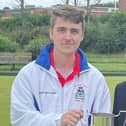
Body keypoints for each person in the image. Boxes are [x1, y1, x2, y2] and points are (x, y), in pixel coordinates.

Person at [10, 5, 111, 126]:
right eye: (62, 30)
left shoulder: (96, 79)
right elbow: (20, 119)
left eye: (74, 31)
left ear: (82, 35)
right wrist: (58, 121)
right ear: (51, 33)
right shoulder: (27, 75)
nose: (68, 37)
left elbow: (104, 122)